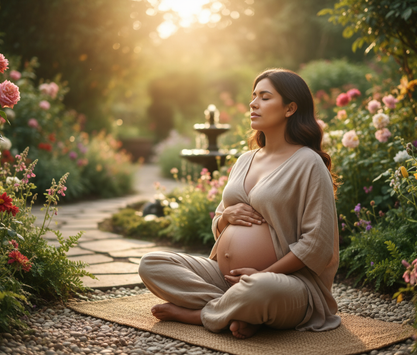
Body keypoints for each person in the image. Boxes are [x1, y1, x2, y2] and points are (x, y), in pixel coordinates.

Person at [138, 68, 341, 339]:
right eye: (253, 96)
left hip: (286, 283)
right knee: (151, 264)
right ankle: (237, 309)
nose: (253, 103)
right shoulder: (245, 160)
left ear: (290, 108)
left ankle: (203, 314)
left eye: (265, 97)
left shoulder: (308, 163)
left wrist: (261, 274)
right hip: (225, 278)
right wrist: (225, 217)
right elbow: (219, 221)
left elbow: (318, 244)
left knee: (261, 290)